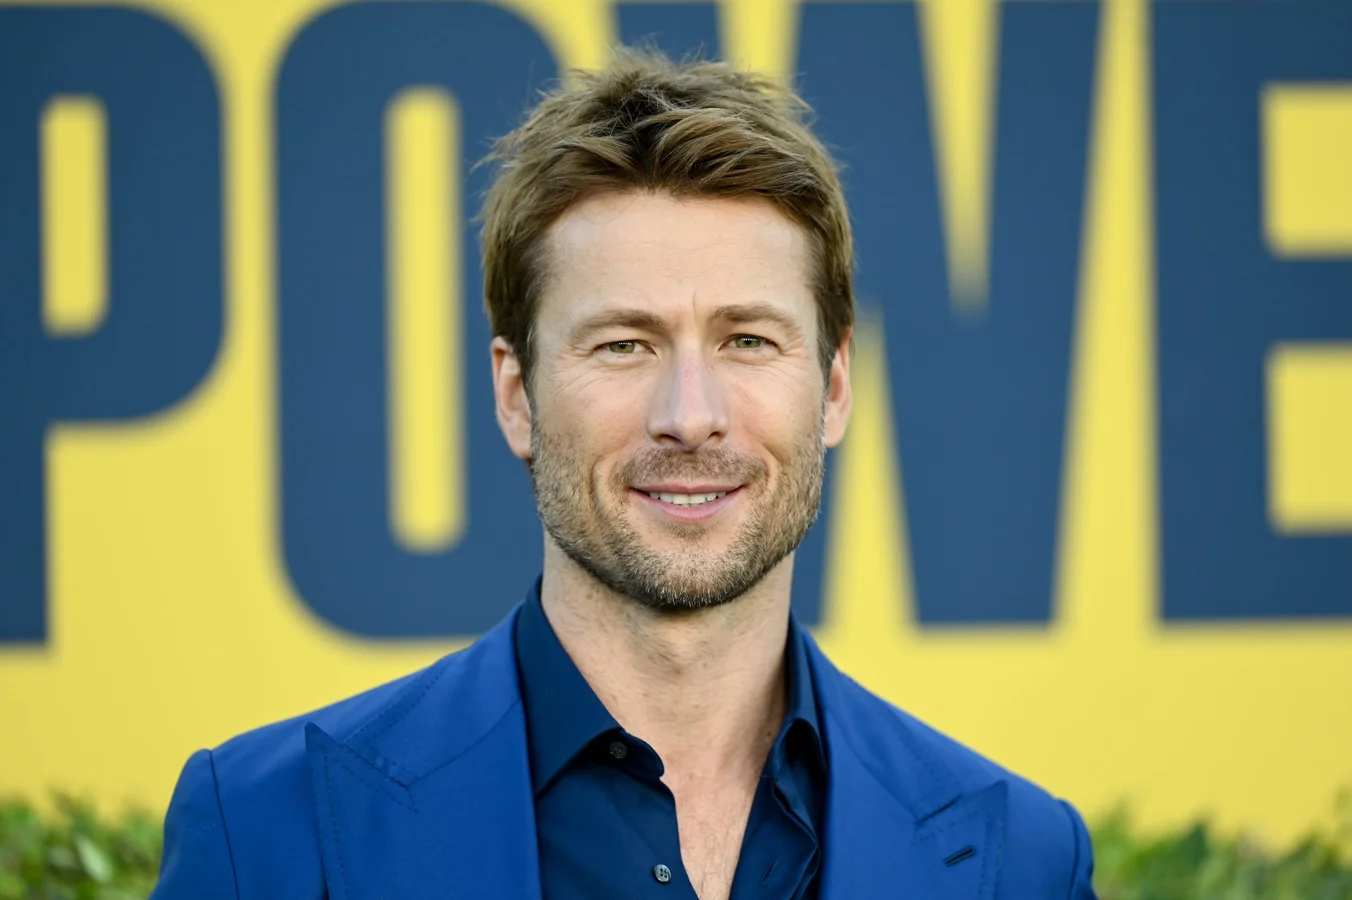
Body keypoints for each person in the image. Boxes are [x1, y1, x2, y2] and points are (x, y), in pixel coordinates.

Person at [151, 49, 1097, 900]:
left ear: (835, 386)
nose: (689, 414)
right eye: (622, 344)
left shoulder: (1025, 863)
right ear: (516, 395)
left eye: (748, 340)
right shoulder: (266, 835)